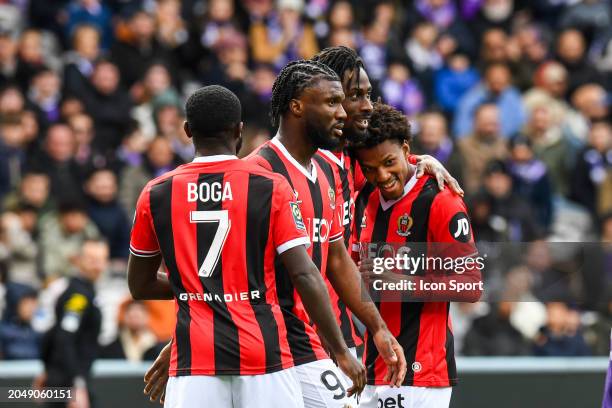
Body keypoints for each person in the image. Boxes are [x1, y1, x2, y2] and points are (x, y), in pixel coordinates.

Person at [127, 85, 365, 408]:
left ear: (187, 131)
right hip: (265, 356)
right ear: (239, 130)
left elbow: (139, 285)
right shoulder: (270, 187)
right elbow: (305, 274)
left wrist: (196, 290)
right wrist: (340, 352)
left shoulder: (156, 194)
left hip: (195, 359)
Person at [350, 103, 482, 408]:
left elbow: (470, 285)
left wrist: (403, 280)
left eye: (389, 162)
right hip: (371, 368)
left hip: (421, 373)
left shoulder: (441, 200)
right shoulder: (363, 198)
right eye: (370, 168)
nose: (381, 175)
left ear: (406, 149)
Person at [38, 239, 109, 408]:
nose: (97, 266)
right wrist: (77, 384)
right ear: (78, 260)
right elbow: (64, 337)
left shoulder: (85, 292)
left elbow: (55, 333)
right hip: (67, 384)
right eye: (92, 259)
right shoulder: (78, 296)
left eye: (101, 260)